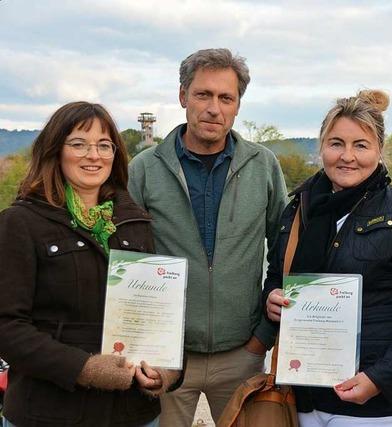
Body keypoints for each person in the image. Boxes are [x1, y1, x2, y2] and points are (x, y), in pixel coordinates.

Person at [263, 90, 392, 427]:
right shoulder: (299, 209)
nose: (347, 156)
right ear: (321, 147)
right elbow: (276, 276)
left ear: (379, 151)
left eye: (360, 145)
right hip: (306, 393)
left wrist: (380, 378)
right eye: (336, 143)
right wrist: (271, 298)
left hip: (382, 401)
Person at [128, 48, 287, 426]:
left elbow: (283, 254)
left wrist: (261, 339)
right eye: (203, 95)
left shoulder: (263, 165)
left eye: (225, 98)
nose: (213, 108)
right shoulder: (144, 169)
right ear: (183, 96)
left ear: (237, 105)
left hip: (242, 353)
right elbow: (124, 260)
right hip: (165, 357)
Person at [0, 102, 180, 427]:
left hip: (131, 414)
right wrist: (84, 368)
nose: (93, 155)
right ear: (55, 150)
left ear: (116, 154)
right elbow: (8, 326)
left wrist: (167, 368)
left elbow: (158, 314)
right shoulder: (20, 223)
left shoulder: (135, 223)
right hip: (49, 413)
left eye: (104, 145)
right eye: (79, 144)